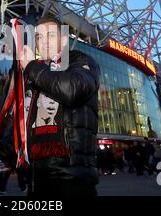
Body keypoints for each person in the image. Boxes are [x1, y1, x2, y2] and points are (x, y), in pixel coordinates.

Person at [20, 16, 100, 196]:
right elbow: (25, 115)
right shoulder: (37, 73)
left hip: (71, 176)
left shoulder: (81, 61)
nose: (44, 42)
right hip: (37, 175)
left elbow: (72, 90)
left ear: (63, 40)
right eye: (39, 37)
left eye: (50, 36)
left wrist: (32, 67)